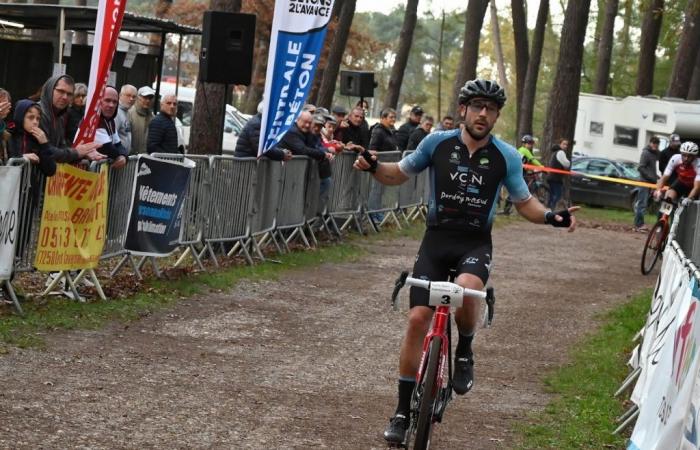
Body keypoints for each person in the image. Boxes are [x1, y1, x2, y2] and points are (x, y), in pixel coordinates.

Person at [353, 78, 579, 445]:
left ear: (497, 116)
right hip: (436, 240)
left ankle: (464, 348)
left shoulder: (506, 155)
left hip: (474, 243)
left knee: (469, 289)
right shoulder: (436, 143)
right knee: (416, 320)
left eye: (490, 109)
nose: (483, 114)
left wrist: (553, 217)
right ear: (463, 109)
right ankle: (400, 409)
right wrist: (372, 166)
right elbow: (397, 174)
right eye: (477, 106)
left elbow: (524, 203)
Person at [38, 74, 103, 163]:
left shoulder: (60, 116)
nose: (65, 97)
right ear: (50, 90)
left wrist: (82, 153)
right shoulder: (37, 113)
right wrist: (76, 152)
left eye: (69, 94)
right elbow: (45, 150)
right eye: (60, 91)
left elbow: (61, 148)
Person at [8, 99, 56, 176]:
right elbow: (5, 160)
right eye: (31, 117)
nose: (35, 122)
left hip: (30, 187)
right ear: (20, 117)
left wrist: (44, 144)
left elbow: (50, 171)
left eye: (38, 118)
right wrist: (23, 158)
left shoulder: (37, 139)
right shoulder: (9, 135)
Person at [94, 86, 128, 168]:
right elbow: (107, 148)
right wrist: (123, 156)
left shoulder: (110, 121)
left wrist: (123, 156)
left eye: (115, 102)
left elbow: (119, 145)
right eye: (107, 100)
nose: (111, 105)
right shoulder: (94, 120)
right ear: (99, 101)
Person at [634, 136, 660, 231]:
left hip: (651, 182)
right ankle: (638, 225)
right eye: (653, 143)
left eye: (656, 144)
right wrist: (650, 177)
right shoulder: (645, 153)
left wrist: (656, 177)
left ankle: (639, 223)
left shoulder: (654, 154)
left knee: (644, 204)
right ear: (650, 143)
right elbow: (640, 168)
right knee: (642, 204)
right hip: (644, 182)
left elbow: (651, 169)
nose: (655, 146)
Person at [129, 86, 155, 154]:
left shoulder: (152, 117)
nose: (148, 100)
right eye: (145, 97)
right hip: (130, 157)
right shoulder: (129, 113)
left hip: (145, 158)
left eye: (150, 98)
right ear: (138, 97)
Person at [546, 138, 571, 209]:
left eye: (566, 144)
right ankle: (551, 209)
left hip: (552, 176)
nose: (565, 146)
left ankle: (548, 210)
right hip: (556, 178)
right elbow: (566, 163)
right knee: (557, 195)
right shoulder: (560, 152)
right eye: (564, 144)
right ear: (560, 144)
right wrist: (568, 163)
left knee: (552, 195)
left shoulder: (555, 152)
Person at [115, 84, 136, 153]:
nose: (131, 99)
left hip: (123, 157)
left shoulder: (127, 112)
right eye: (128, 95)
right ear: (120, 95)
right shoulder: (116, 112)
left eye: (134, 97)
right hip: (116, 157)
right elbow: (113, 138)